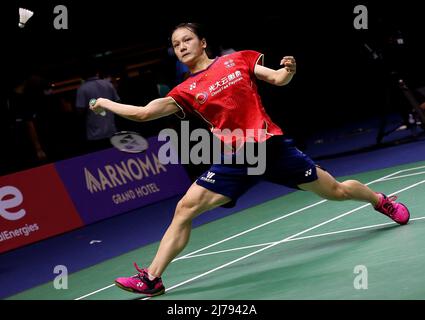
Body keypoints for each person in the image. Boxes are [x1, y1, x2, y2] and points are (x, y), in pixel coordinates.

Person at [90, 23, 411, 297]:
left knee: (336, 191)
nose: (181, 46)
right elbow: (145, 113)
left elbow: (277, 78)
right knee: (185, 208)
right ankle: (152, 279)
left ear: (202, 42)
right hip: (235, 157)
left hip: (270, 147)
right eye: (175, 44)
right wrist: (107, 102)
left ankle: (378, 200)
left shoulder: (238, 60)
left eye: (186, 39)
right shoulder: (185, 90)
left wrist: (288, 70)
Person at [76, 62, 120, 153]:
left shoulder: (82, 89)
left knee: (101, 159)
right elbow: (118, 102)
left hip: (95, 135)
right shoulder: (108, 84)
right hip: (112, 130)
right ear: (96, 72)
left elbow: (80, 110)